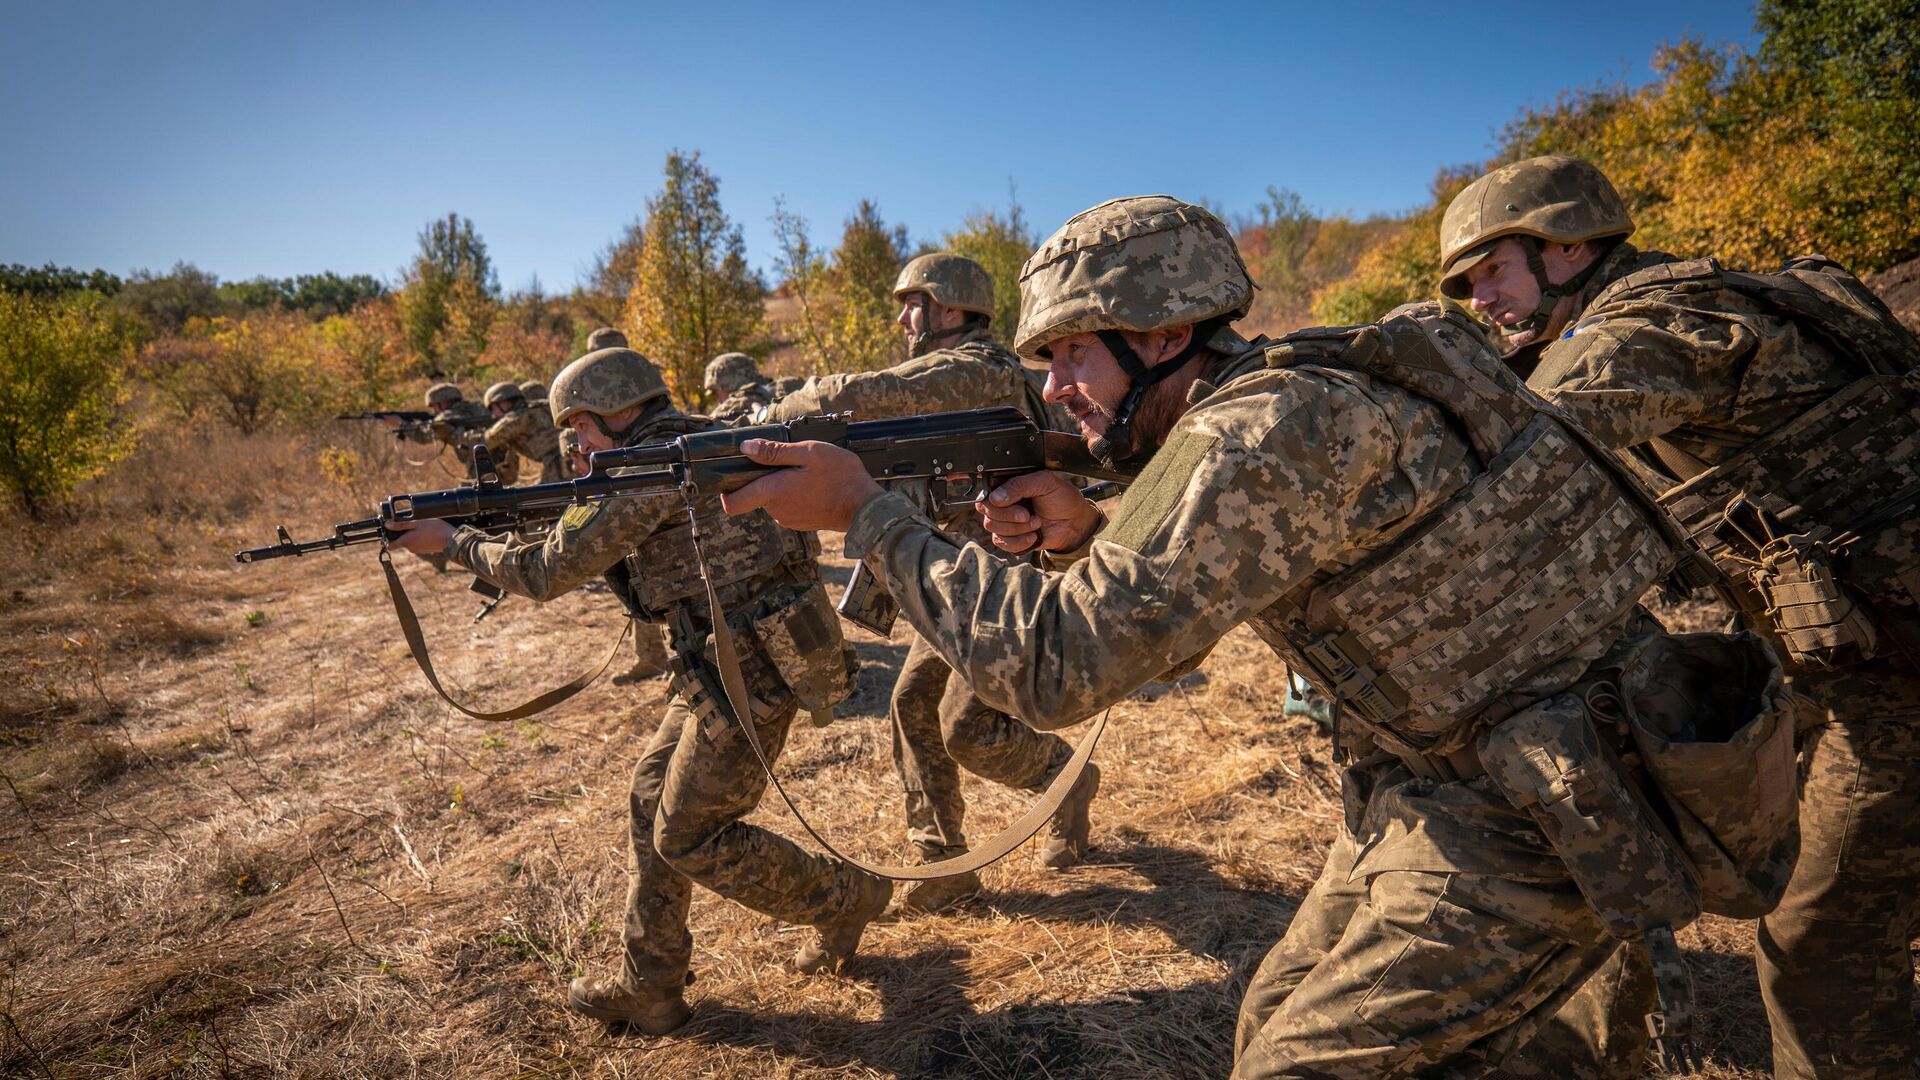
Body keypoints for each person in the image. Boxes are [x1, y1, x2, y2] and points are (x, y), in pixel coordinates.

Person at [720, 195, 1758, 1078]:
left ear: (1163, 336)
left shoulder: (1259, 429)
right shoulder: (1266, 404)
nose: (1054, 388)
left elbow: (1059, 671)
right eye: (1045, 359)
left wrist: (866, 516)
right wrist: (1086, 537)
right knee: (1268, 1022)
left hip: (1535, 802)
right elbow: (1173, 636)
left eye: (1073, 351)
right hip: (1445, 781)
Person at [1442, 154, 1920, 1080]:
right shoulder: (1695, 301)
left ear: (1567, 245)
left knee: (1821, 951)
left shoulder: (1649, 332)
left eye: (1491, 270)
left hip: (1892, 682)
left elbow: (1507, 461)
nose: (1479, 300)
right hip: (1839, 653)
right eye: (1465, 287)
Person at [387, 334, 889, 1035]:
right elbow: (587, 531)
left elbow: (545, 572)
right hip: (722, 664)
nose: (574, 444)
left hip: (749, 672)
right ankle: (650, 983)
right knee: (650, 797)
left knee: (691, 836)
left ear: (615, 411)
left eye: (578, 427)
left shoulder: (648, 468)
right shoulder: (693, 443)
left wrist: (452, 541)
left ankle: (846, 897)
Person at [762, 252, 1098, 915]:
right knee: (913, 703)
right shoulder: (951, 381)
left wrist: (779, 413)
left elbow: (864, 395)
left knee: (966, 726)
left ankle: (1066, 780)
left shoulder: (979, 370)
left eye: (911, 304)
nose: (902, 320)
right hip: (959, 577)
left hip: (1010, 577)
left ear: (945, 308)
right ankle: (943, 864)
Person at [558, 424, 671, 684]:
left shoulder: (633, 485)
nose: (575, 467)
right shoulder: (612, 483)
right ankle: (652, 659)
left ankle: (660, 661)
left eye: (578, 457)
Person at [481, 380, 568, 484]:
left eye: (493, 408)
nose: (493, 415)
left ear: (503, 403)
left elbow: (487, 440)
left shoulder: (518, 417)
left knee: (545, 494)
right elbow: (510, 472)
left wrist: (467, 437)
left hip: (562, 463)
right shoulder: (538, 407)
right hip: (566, 459)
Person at [704, 352, 778, 422]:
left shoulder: (734, 405)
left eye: (716, 392)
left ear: (728, 385)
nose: (718, 399)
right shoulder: (775, 390)